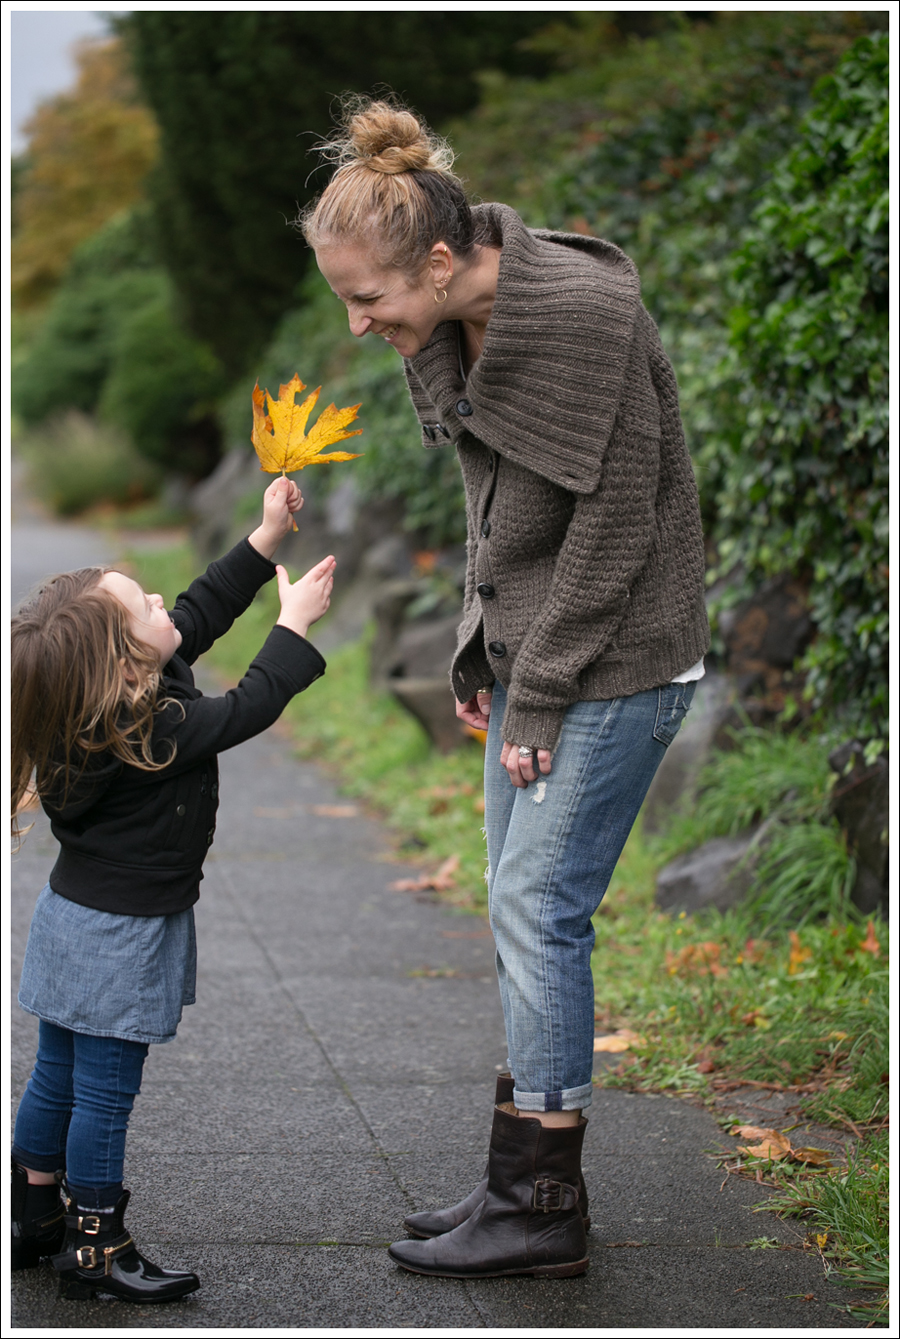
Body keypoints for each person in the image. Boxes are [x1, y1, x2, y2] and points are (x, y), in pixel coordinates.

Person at [302, 96, 710, 1281]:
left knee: (541, 908)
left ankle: (542, 1205)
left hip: (619, 659)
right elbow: (501, 508)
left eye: (369, 298)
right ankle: (514, 1175)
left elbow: (615, 524)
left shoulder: (581, 317)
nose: (357, 322)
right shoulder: (453, 320)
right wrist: (486, 651)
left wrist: (540, 690)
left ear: (439, 260)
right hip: (542, 657)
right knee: (516, 905)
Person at [10, 477, 335, 1303]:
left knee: (56, 1073)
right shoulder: (151, 731)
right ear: (127, 664)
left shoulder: (94, 707)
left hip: (67, 919)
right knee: (104, 1094)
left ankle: (31, 1215)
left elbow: (199, 607)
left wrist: (264, 538)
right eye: (146, 606)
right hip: (120, 935)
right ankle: (95, 1245)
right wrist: (293, 626)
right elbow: (248, 706)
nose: (164, 602)